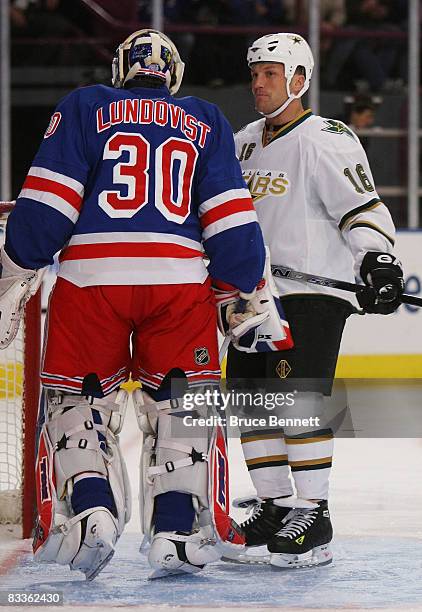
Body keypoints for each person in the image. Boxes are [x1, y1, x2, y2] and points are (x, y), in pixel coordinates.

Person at [0, 29, 266, 579]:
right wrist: (237, 283)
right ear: (173, 75)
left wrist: (15, 263)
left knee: (78, 403)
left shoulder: (85, 106)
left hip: (90, 280)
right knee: (181, 410)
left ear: (122, 71)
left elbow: (48, 205)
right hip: (177, 282)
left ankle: (91, 509)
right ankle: (175, 530)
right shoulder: (206, 119)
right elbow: (233, 221)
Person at [228, 32, 403, 569]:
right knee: (249, 401)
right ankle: (277, 506)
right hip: (255, 297)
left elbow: (362, 207)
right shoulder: (243, 142)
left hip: (311, 295)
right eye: (255, 74)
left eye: (271, 74)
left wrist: (376, 258)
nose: (258, 84)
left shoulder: (327, 137)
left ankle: (314, 515)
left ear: (299, 79)